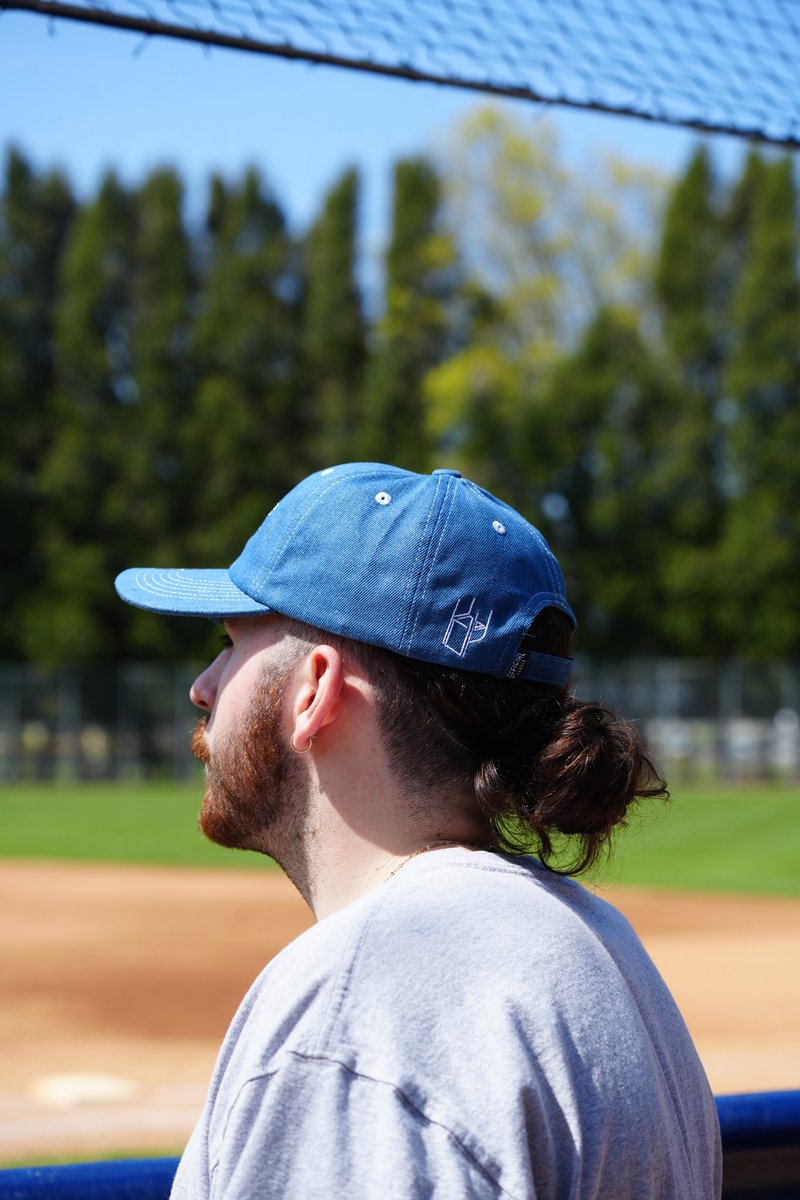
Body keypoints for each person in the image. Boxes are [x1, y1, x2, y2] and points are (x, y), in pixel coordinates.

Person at [115, 462, 721, 1199]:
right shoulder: (601, 947)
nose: (203, 686)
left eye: (233, 643)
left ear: (313, 689)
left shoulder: (356, 1014)